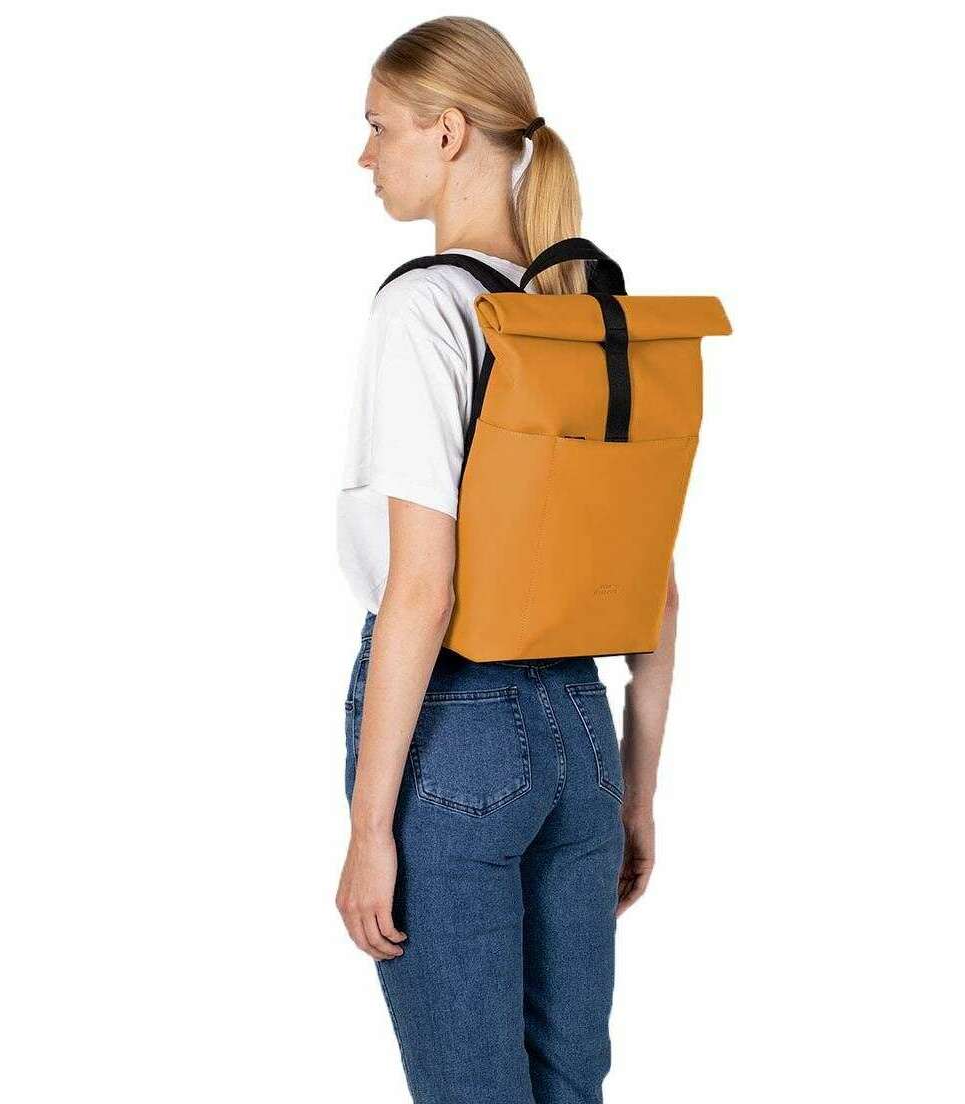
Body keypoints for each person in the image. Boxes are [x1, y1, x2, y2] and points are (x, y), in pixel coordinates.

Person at [335, 17, 678, 1102]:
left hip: (459, 732)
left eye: (378, 127)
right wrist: (635, 795)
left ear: (446, 133)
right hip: (582, 732)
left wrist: (369, 829)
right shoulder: (585, 318)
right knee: (569, 1087)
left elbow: (422, 588)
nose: (364, 155)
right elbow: (656, 590)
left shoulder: (426, 309)